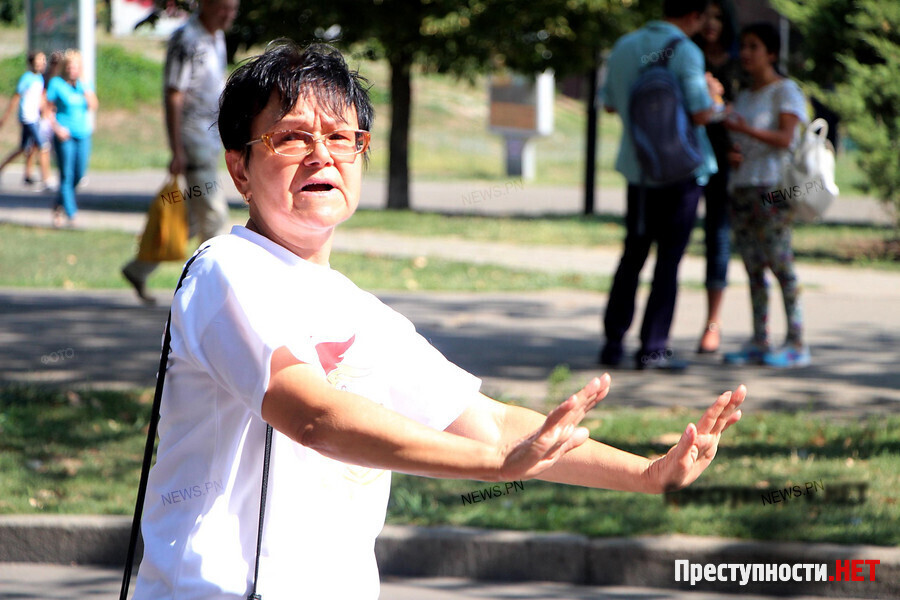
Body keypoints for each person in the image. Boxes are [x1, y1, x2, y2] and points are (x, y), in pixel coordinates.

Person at [131, 41, 746, 600]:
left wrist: (648, 474)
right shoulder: (227, 269)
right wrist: (494, 467)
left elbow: (491, 424)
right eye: (291, 138)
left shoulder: (359, 311)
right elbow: (313, 417)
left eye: (342, 137)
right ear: (239, 168)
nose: (322, 156)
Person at [599, 0, 722, 371]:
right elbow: (702, 113)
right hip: (681, 176)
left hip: (639, 172)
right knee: (668, 262)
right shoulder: (686, 51)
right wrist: (714, 95)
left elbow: (609, 105)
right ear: (694, 15)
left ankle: (613, 343)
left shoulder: (624, 46)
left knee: (632, 257)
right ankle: (652, 348)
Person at [121, 0, 239, 303]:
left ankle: (139, 268)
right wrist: (177, 149)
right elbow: (173, 94)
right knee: (214, 214)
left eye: (233, 8)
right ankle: (213, 293)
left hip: (210, 139)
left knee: (191, 217)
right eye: (224, 7)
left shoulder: (216, 37)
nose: (229, 14)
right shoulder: (187, 39)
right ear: (207, 4)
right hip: (192, 140)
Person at [723, 23, 810, 368]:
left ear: (771, 53)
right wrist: (735, 152)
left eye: (754, 46)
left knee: (780, 262)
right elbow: (744, 143)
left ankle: (797, 341)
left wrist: (744, 129)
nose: (745, 53)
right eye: (743, 46)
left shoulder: (785, 91)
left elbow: (786, 139)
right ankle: (760, 339)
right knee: (753, 265)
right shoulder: (745, 95)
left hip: (774, 189)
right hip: (743, 186)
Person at [691, 0, 742, 353]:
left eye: (718, 17)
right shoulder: (687, 58)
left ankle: (713, 323)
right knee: (672, 241)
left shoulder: (739, 66)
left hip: (725, 166)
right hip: (685, 161)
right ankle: (657, 330)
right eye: (705, 16)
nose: (711, 23)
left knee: (718, 238)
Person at [45, 49, 98, 228]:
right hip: (64, 135)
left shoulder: (84, 84)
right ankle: (71, 213)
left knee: (78, 174)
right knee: (66, 174)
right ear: (65, 67)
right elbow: (47, 110)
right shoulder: (56, 84)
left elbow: (93, 105)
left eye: (76, 67)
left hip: (83, 133)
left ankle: (59, 204)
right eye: (69, 67)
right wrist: (57, 128)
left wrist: (85, 87)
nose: (72, 70)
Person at [0, 50, 52, 189]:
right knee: (43, 146)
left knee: (25, 148)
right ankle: (46, 179)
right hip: (27, 117)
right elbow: (16, 97)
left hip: (35, 116)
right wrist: (5, 116)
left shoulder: (39, 78)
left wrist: (45, 111)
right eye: (39, 60)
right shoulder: (27, 78)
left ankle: (25, 175)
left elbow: (39, 99)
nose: (42, 63)